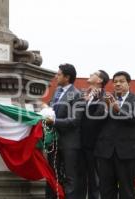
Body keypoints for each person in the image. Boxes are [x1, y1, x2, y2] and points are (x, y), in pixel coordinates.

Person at [94, 71, 135, 199]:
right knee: (106, 189)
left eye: (121, 81)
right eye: (115, 82)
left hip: (128, 152)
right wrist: (105, 108)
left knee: (127, 190)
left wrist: (118, 109)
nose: (118, 84)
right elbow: (95, 120)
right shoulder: (105, 99)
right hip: (106, 152)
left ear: (129, 83)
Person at [45, 63, 83, 199]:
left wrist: (54, 122)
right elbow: (51, 111)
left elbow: (74, 120)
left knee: (70, 178)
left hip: (69, 144)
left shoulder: (77, 95)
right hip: (54, 142)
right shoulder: (57, 92)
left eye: (59, 74)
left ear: (67, 77)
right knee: (52, 175)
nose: (56, 76)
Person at [79, 70, 110, 199]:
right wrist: (84, 102)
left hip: (95, 145)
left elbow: (98, 118)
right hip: (81, 143)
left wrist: (89, 102)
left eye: (94, 73)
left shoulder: (105, 97)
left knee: (94, 180)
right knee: (81, 178)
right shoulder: (85, 95)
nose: (90, 74)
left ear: (100, 80)